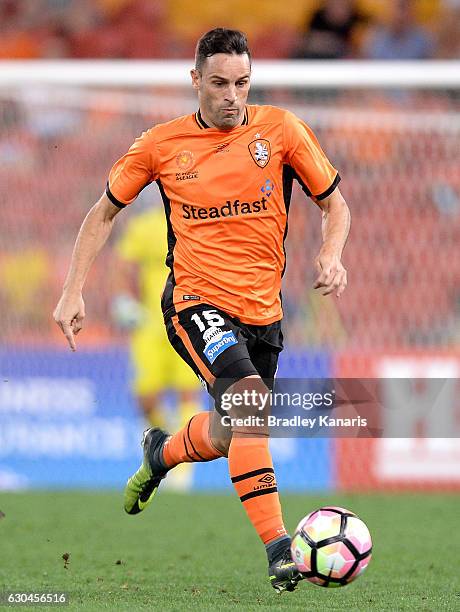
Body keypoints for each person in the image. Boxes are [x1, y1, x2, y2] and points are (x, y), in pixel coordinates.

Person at [53, 28, 350, 592]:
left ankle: (160, 453)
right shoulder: (161, 145)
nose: (231, 96)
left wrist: (331, 253)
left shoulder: (282, 131)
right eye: (218, 83)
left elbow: (335, 204)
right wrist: (73, 290)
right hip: (195, 302)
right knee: (251, 405)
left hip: (264, 312)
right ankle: (280, 548)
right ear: (195, 81)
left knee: (225, 435)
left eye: (241, 83)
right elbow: (102, 213)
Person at [113, 202, 201, 430]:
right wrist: (124, 299)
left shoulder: (197, 222)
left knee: (187, 392)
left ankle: (182, 463)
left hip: (188, 319)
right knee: (146, 397)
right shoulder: (144, 225)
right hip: (150, 323)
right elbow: (124, 266)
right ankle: (167, 441)